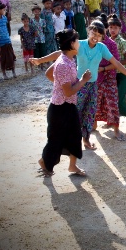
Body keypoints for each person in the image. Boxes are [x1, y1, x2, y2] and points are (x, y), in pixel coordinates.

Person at [30, 20, 126, 150]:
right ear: (88, 31)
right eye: (93, 33)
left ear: (102, 37)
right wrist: (40, 60)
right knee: (75, 113)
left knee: (90, 113)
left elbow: (116, 63)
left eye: (99, 35)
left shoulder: (102, 48)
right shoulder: (80, 45)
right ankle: (69, 141)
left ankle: (86, 140)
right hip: (78, 84)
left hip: (93, 85)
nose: (95, 37)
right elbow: (60, 53)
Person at [37, 29, 91, 178]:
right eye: (77, 40)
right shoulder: (63, 64)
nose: (79, 43)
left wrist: (60, 85)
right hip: (60, 109)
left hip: (68, 106)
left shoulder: (67, 59)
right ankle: (44, 162)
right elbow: (69, 92)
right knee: (56, 140)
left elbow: (49, 74)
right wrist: (84, 80)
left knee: (75, 135)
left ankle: (72, 166)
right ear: (72, 44)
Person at [94, 14, 125, 141]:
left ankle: (116, 129)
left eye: (97, 32)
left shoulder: (111, 44)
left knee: (112, 103)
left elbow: (116, 63)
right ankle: (93, 125)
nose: (95, 34)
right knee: (95, 102)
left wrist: (104, 69)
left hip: (109, 78)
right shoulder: (92, 43)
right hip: (95, 78)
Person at [107, 14, 126, 132]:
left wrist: (116, 63)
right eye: (111, 28)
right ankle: (112, 121)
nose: (113, 30)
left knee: (119, 98)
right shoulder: (106, 41)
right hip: (112, 74)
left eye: (115, 28)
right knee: (113, 98)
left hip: (124, 74)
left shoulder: (122, 42)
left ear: (120, 29)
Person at [0, 1, 16, 79]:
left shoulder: (5, 18)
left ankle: (13, 71)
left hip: (7, 40)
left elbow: (6, 28)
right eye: (3, 9)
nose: (4, 11)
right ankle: (4, 73)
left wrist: (8, 37)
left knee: (11, 56)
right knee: (2, 58)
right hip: (0, 42)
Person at [30, 4, 47, 69]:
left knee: (42, 51)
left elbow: (44, 28)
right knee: (36, 51)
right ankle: (38, 64)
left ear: (40, 12)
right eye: (35, 11)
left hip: (42, 38)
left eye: (38, 11)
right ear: (33, 12)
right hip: (35, 38)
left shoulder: (42, 20)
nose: (37, 12)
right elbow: (30, 28)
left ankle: (42, 64)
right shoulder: (31, 21)